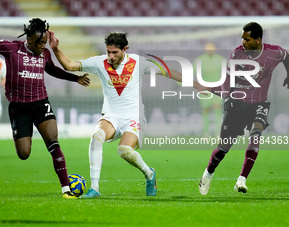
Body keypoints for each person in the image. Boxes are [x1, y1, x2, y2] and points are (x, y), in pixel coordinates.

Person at [48, 31, 208, 198]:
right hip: (111, 116)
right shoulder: (99, 62)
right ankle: (95, 188)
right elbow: (70, 65)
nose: (110, 56)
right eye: (108, 52)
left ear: (125, 49)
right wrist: (56, 49)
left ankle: (149, 174)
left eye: (114, 52)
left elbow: (168, 72)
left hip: (134, 117)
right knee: (96, 136)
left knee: (124, 150)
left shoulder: (138, 62)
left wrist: (196, 85)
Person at [0, 18, 90, 199]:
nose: (42, 46)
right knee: (24, 153)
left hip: (41, 103)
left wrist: (75, 78)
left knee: (53, 143)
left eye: (44, 43)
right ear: (29, 40)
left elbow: (52, 69)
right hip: (19, 107)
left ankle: (66, 189)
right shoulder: (11, 48)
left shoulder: (44, 53)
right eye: (39, 43)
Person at [199, 22, 289, 195]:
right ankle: (208, 174)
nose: (243, 42)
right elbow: (227, 81)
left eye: (246, 39)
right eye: (242, 38)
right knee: (223, 148)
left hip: (259, 104)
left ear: (258, 40)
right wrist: (222, 95)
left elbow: (286, 56)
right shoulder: (237, 54)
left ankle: (241, 180)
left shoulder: (273, 53)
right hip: (237, 105)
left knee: (255, 137)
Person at [193, 43, 225, 136]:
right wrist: (179, 82)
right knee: (205, 110)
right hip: (204, 89)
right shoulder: (200, 60)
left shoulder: (221, 60)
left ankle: (218, 133)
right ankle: (206, 132)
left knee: (217, 109)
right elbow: (191, 71)